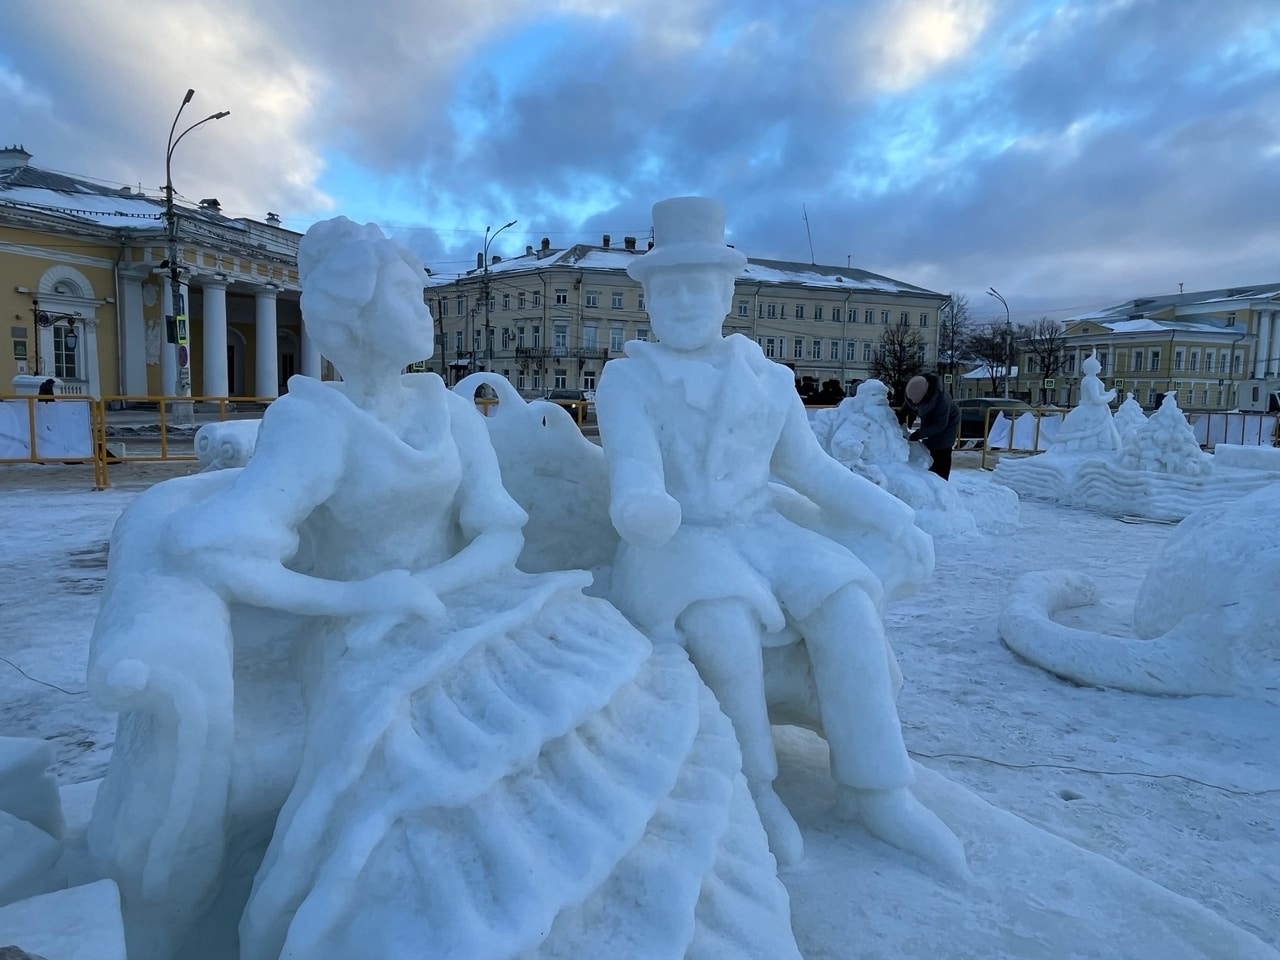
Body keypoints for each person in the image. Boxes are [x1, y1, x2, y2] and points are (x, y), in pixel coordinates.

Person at [87, 217, 801, 960]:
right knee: (442, 778)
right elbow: (213, 546)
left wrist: (436, 583)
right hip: (373, 643)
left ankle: (684, 882)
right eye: (406, 294)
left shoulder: (447, 407)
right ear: (355, 312)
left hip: (483, 604)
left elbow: (500, 530)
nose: (427, 310)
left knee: (636, 685)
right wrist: (362, 599)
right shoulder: (314, 423)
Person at [596, 196, 965, 876]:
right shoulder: (628, 379)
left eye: (696, 287)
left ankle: (876, 789)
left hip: (763, 527)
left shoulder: (767, 378)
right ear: (646, 299)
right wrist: (640, 504)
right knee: (724, 623)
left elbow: (807, 467)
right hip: (678, 543)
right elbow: (633, 462)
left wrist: (895, 514)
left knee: (847, 602)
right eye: (666, 289)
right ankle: (753, 788)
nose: (681, 302)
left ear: (726, 292)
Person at [901, 373, 960, 480]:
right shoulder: (914, 392)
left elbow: (940, 424)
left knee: (940, 450)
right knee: (928, 447)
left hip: (947, 424)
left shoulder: (942, 400)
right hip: (930, 420)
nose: (914, 404)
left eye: (917, 402)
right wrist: (900, 416)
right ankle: (928, 477)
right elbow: (909, 406)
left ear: (925, 396)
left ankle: (941, 482)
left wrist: (920, 433)